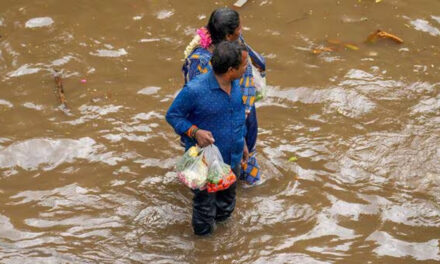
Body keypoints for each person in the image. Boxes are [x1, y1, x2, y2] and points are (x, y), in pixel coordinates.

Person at [166, 41, 248, 235]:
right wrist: (195, 132)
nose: (246, 68)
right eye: (244, 65)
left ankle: (222, 239)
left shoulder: (235, 84)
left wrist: (242, 142)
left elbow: (236, 114)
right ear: (230, 70)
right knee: (204, 207)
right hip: (204, 162)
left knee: (227, 202)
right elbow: (173, 115)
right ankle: (204, 248)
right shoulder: (195, 90)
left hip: (232, 158)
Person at [182, 7, 265, 185]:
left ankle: (236, 185)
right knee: (215, 172)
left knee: (233, 162)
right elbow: (195, 102)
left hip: (242, 114)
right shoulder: (202, 60)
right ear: (228, 36)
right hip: (221, 121)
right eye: (239, 28)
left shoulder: (234, 43)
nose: (241, 31)